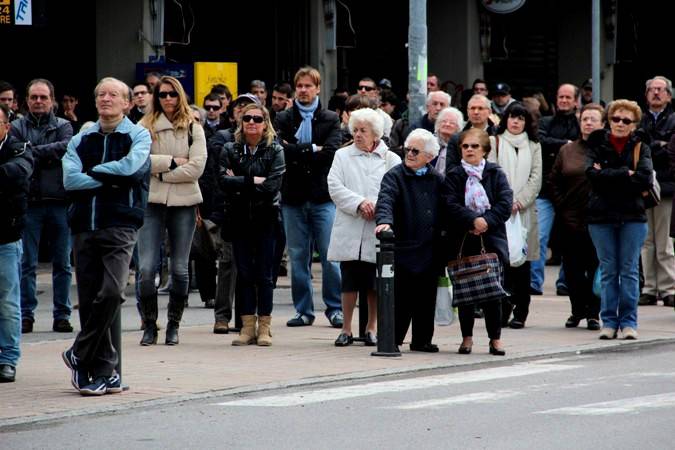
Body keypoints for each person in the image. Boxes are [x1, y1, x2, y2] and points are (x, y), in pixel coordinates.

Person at [61, 77, 151, 395]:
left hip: (120, 224)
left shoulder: (138, 135)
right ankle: (101, 371)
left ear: (127, 103)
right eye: (100, 93)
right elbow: (70, 181)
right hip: (84, 225)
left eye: (113, 94)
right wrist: (107, 177)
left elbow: (131, 170)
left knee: (112, 292)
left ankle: (79, 352)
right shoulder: (81, 138)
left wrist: (94, 172)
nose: (106, 98)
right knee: (88, 300)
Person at [137, 76, 207, 346]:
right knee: (145, 269)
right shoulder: (144, 126)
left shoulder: (193, 127)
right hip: (151, 204)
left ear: (180, 96)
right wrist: (171, 162)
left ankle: (173, 324)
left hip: (184, 203)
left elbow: (197, 167)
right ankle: (149, 325)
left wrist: (163, 174)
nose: (168, 99)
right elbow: (138, 161)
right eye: (163, 94)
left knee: (179, 269)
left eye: (172, 94)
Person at [275, 66, 344, 328]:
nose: (303, 90)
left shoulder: (330, 118)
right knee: (298, 257)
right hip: (292, 197)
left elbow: (331, 153)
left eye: (308, 86)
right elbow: (281, 152)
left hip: (322, 197)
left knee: (330, 256)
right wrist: (313, 148)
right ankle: (303, 310)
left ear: (317, 88)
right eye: (299, 86)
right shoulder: (283, 118)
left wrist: (298, 150)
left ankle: (335, 308)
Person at [327, 108, 401, 346]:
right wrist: (359, 203)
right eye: (355, 130)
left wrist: (378, 207)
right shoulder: (342, 155)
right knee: (349, 278)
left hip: (376, 227)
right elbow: (334, 186)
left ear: (376, 134)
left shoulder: (391, 159)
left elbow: (395, 190)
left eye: (363, 131)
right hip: (350, 223)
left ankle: (371, 328)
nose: (357, 135)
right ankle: (346, 329)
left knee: (374, 281)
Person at [218, 103, 285, 346]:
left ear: (266, 123)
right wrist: (252, 180)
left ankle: (264, 326)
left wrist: (239, 181)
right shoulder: (230, 148)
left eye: (257, 118)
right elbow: (222, 182)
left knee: (265, 275)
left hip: (267, 218)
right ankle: (247, 327)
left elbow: (272, 186)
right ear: (241, 122)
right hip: (239, 219)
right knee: (244, 273)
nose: (252, 122)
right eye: (247, 118)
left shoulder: (275, 150)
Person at [11, 78, 74, 334]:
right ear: (27, 100)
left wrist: (32, 151)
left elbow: (66, 149)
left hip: (59, 202)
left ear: (52, 100)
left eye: (43, 97)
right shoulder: (15, 127)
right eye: (34, 97)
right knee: (27, 263)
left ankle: (62, 314)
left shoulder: (64, 125)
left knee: (63, 263)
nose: (38, 101)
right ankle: (26, 314)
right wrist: (41, 153)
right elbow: (16, 153)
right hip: (29, 203)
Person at [586, 99, 653, 340]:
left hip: (632, 216)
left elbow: (644, 178)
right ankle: (609, 322)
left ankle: (628, 322)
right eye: (616, 119)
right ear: (608, 121)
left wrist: (608, 174)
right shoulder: (597, 143)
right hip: (600, 216)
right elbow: (591, 175)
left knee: (629, 271)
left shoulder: (640, 146)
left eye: (626, 120)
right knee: (608, 271)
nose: (620, 124)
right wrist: (626, 173)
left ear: (634, 125)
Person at [445, 128, 512, 355]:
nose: (470, 150)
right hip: (464, 238)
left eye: (474, 146)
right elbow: (450, 204)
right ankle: (466, 338)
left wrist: (486, 221)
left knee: (492, 292)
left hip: (491, 238)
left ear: (484, 149)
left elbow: (504, 202)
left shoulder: (495, 173)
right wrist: (473, 220)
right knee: (465, 292)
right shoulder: (454, 174)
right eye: (465, 146)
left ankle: (495, 339)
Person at [375, 128, 443, 352]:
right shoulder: (395, 175)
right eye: (407, 149)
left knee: (426, 297)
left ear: (429, 157)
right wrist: (384, 221)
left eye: (416, 151)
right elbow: (385, 199)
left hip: (430, 248)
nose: (410, 154)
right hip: (404, 247)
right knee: (401, 298)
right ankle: (392, 340)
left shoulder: (437, 179)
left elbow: (449, 207)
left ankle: (422, 340)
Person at [549, 103, 605, 330]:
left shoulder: (606, 149)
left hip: (598, 218)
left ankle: (594, 313)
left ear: (602, 124)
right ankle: (576, 311)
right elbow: (553, 181)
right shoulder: (567, 150)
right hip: (569, 219)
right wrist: (561, 205)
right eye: (585, 119)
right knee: (572, 269)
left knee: (595, 268)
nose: (589, 123)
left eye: (593, 119)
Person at [488, 102, 542, 329]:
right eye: (512, 117)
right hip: (500, 211)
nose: (516, 121)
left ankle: (521, 311)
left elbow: (536, 177)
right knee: (502, 263)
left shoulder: (534, 145)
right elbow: (491, 172)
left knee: (523, 265)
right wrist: (506, 201)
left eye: (521, 118)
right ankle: (502, 307)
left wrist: (520, 201)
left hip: (525, 212)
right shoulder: (495, 142)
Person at [532, 84, 580, 296]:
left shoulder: (581, 123)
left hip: (572, 192)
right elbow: (540, 141)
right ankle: (534, 282)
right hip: (545, 190)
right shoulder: (545, 122)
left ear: (576, 101)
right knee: (539, 237)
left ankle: (566, 282)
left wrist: (560, 146)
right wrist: (568, 145)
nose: (564, 100)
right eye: (561, 96)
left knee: (571, 240)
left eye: (568, 97)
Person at [0, 103, 33, 382]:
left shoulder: (19, 150)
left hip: (6, 238)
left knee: (8, 302)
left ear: (6, 127)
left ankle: (8, 358)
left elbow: (16, 174)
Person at [639, 76, 675, 307]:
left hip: (666, 186)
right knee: (646, 240)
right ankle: (650, 288)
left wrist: (656, 147)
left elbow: (669, 151)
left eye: (660, 90)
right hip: (644, 186)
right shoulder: (639, 119)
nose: (655, 93)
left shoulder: (673, 119)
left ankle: (669, 287)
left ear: (669, 95)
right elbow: (641, 147)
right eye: (651, 89)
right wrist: (658, 145)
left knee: (664, 241)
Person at [433, 107, 464, 176]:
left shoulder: (461, 146)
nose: (447, 124)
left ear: (458, 128)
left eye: (452, 123)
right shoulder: (431, 142)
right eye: (444, 121)